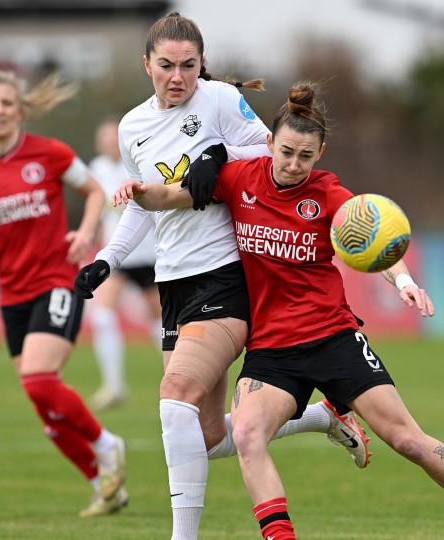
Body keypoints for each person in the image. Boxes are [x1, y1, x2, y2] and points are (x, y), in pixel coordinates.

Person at [116, 81, 444, 539]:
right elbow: (168, 197)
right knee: (248, 436)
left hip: (333, 339)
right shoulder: (239, 178)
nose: (294, 165)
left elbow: (378, 243)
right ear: (270, 143)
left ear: (320, 153)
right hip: (271, 350)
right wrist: (138, 191)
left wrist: (405, 281)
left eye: (305, 156)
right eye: (286, 152)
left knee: (407, 440)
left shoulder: (329, 193)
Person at [73, 12, 371, 540]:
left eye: (189, 65)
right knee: (207, 436)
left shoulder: (219, 100)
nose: (178, 77)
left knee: (174, 396)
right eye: (166, 65)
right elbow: (143, 206)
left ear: (202, 63)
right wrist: (107, 259)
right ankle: (323, 417)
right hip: (173, 284)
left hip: (225, 277)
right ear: (146, 65)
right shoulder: (132, 127)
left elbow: (274, 153)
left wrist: (220, 153)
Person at [0, 69, 128, 517]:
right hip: (11, 295)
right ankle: (104, 487)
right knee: (44, 406)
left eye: (7, 102)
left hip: (56, 281)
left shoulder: (50, 153)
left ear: (20, 109)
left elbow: (94, 192)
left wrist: (85, 233)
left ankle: (106, 444)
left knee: (40, 380)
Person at [86, 117, 162, 411]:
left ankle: (179, 378)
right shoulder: (96, 169)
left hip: (148, 253)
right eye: (103, 138)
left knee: (162, 321)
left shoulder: (140, 162)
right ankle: (113, 385)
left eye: (112, 137)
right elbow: (98, 210)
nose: (108, 143)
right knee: (102, 315)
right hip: (117, 257)